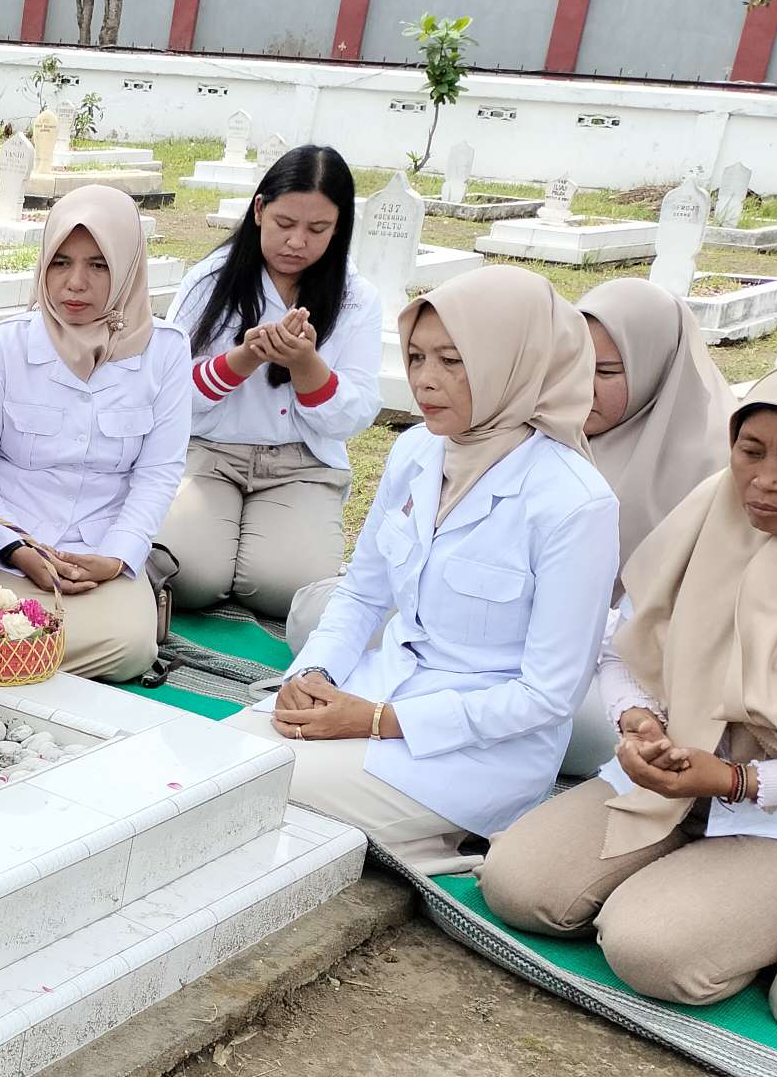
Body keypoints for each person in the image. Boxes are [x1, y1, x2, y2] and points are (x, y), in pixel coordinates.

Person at [479, 347, 777, 1008]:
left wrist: (735, 780)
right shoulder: (711, 518)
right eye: (750, 450)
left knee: (651, 949)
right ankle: (681, 879)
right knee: (520, 886)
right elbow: (626, 646)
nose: (764, 479)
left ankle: (776, 910)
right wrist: (639, 722)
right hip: (670, 778)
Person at [234, 266, 619, 873]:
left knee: (244, 784)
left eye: (452, 360)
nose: (425, 380)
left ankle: (437, 837)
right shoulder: (418, 450)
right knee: (223, 755)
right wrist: (312, 674)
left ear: (513, 364)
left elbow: (547, 697)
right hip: (376, 690)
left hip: (473, 756)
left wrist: (382, 721)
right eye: (415, 357)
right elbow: (361, 594)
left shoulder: (574, 502)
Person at [0, 186, 192, 682]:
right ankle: (5, 664)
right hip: (3, 551)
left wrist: (115, 556)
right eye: (60, 262)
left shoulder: (165, 352)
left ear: (128, 267)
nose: (75, 283)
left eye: (99, 265)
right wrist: (15, 546)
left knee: (130, 649)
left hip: (97, 557)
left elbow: (158, 472)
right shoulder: (2, 348)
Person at [160, 145, 381, 620]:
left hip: (301, 463)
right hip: (210, 453)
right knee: (186, 575)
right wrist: (242, 360)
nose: (297, 242)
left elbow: (356, 412)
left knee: (289, 588)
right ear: (259, 210)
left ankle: (248, 551)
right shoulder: (209, 282)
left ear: (339, 227)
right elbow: (171, 392)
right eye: (285, 223)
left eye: (317, 229)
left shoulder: (357, 299)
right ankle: (221, 551)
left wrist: (306, 365)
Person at [554, 279, 736, 775]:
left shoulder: (722, 469)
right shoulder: (542, 435)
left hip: (642, 679)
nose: (580, 385)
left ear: (658, 369)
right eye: (572, 363)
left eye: (607, 371)